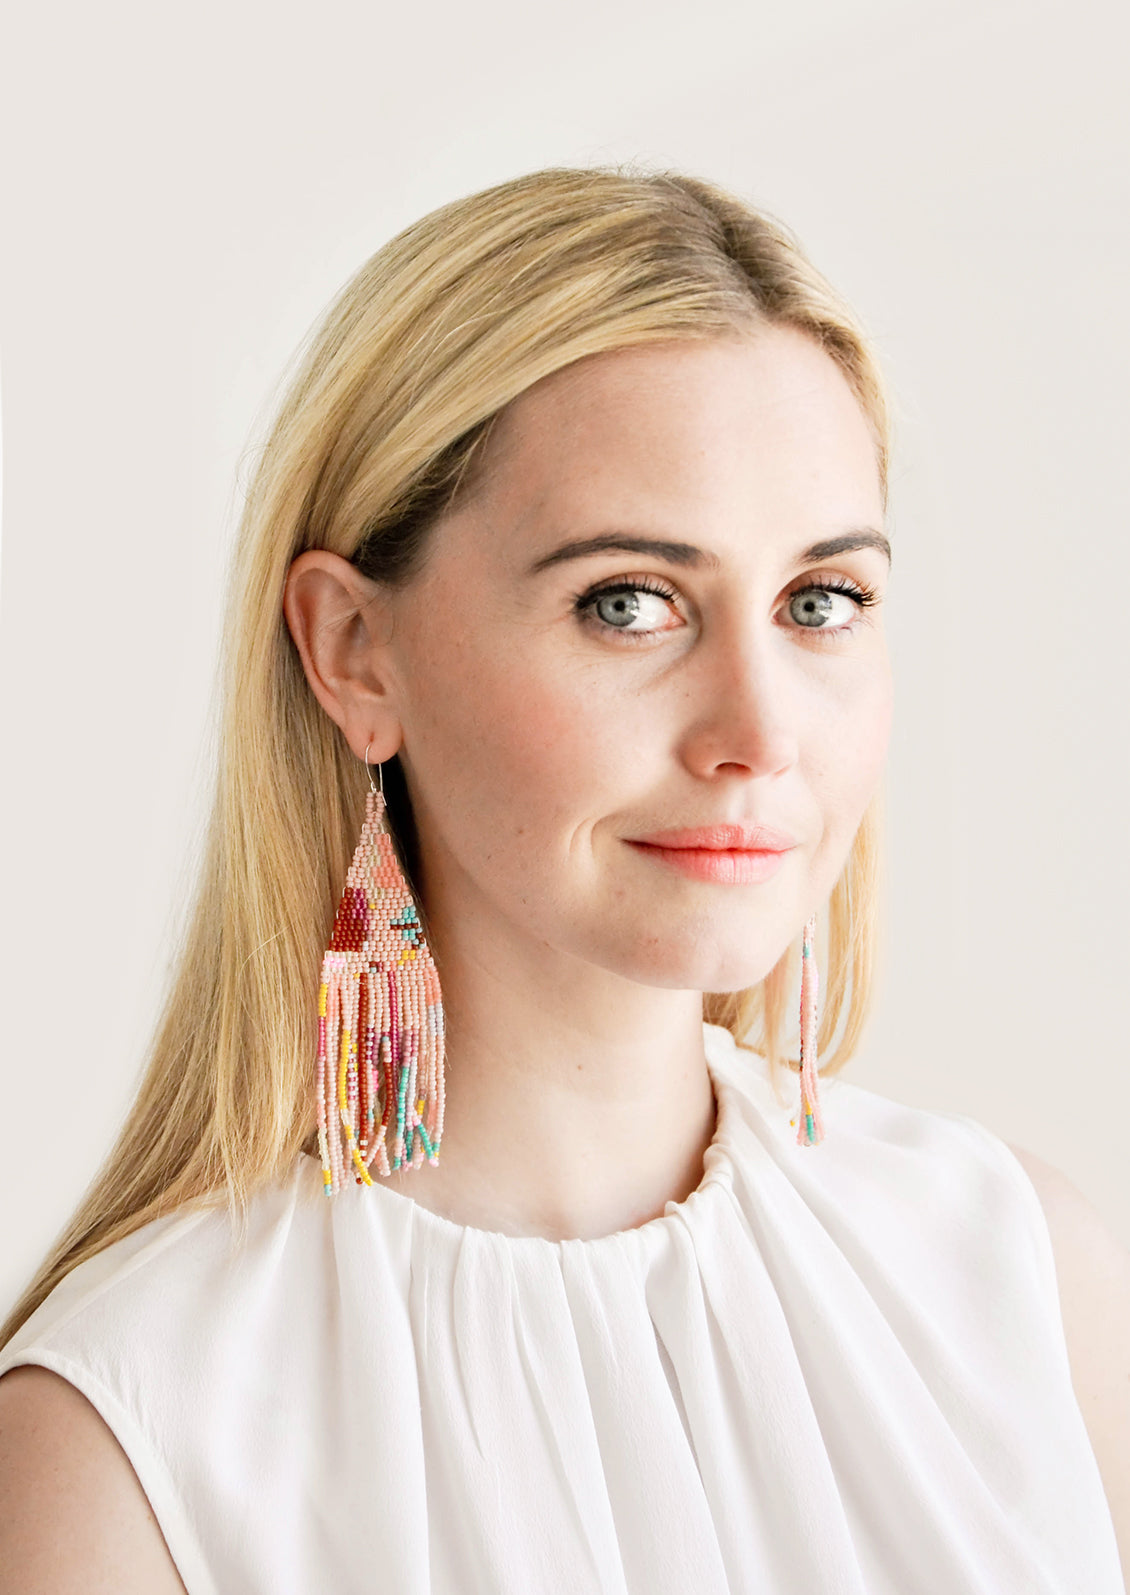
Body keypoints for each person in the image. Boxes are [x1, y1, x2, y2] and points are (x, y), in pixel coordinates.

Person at [0, 166, 1126, 1595]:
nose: (758, 733)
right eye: (628, 603)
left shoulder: (1020, 1278)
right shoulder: (128, 1441)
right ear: (354, 650)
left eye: (819, 603)